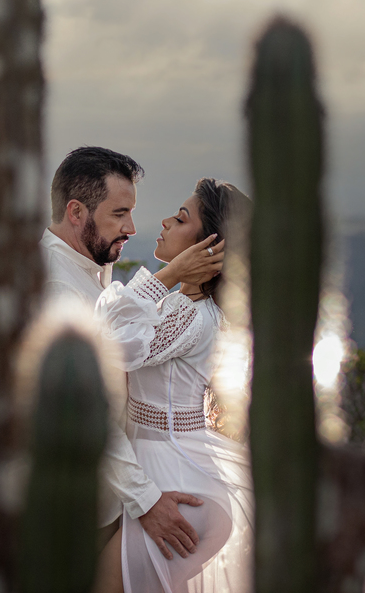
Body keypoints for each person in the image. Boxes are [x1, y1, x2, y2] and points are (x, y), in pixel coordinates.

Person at [40, 147, 223, 565]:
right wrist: (146, 500)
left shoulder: (87, 267)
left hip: (113, 495)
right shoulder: (59, 287)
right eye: (119, 214)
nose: (132, 227)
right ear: (76, 212)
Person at [93, 178, 254, 593]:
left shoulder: (189, 315)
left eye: (181, 218)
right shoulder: (184, 308)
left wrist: (165, 276)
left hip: (179, 487)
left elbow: (105, 345)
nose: (164, 221)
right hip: (173, 475)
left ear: (209, 248)